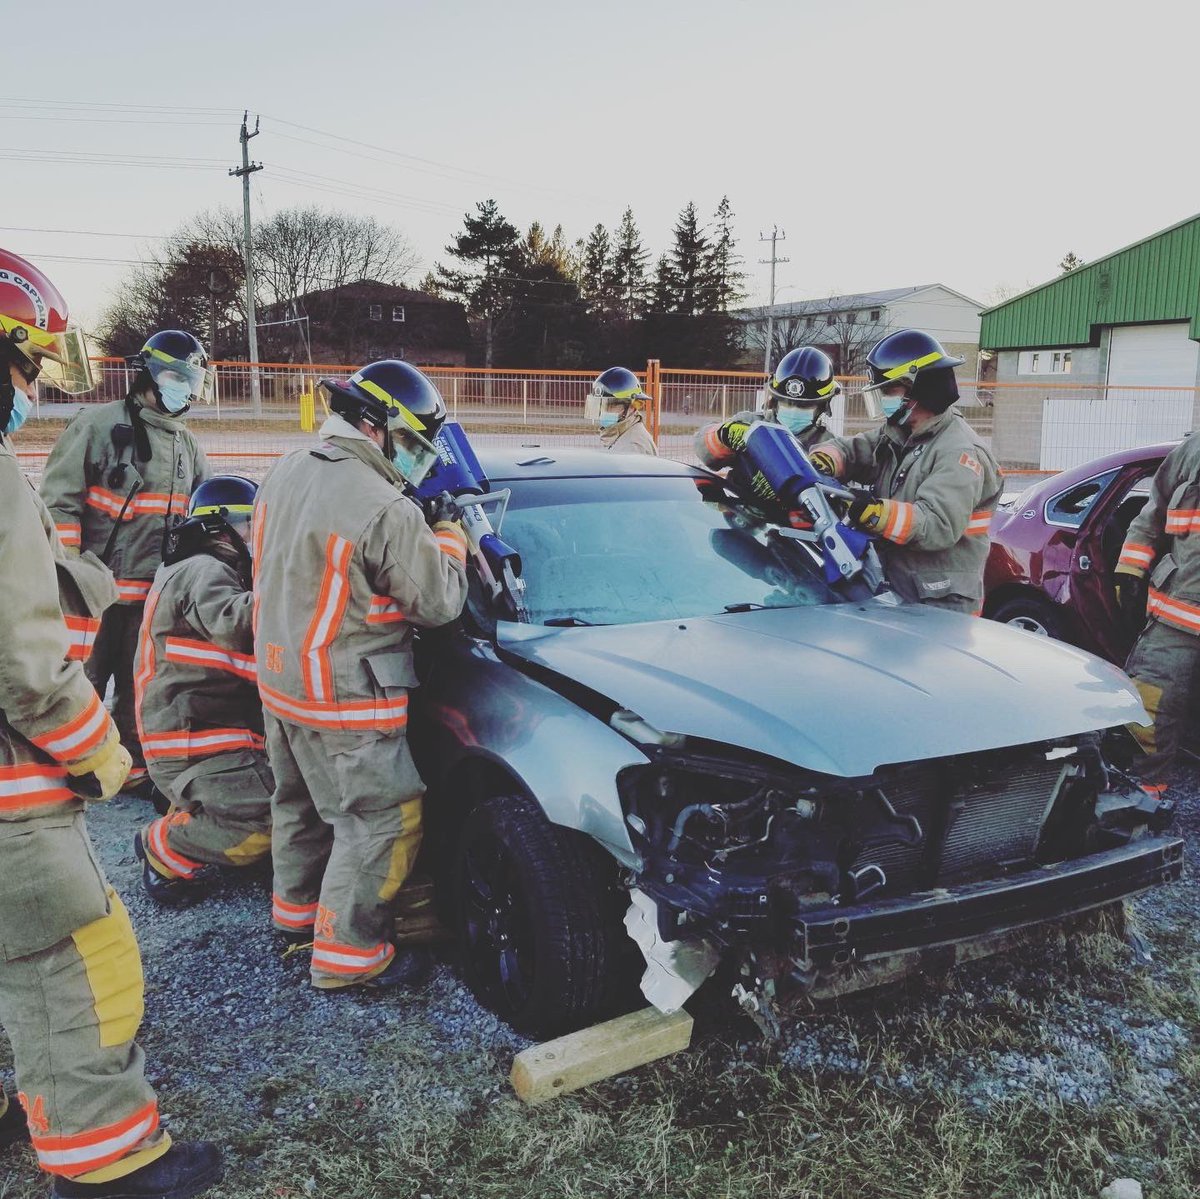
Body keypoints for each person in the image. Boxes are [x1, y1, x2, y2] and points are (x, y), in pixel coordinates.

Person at [0, 250, 221, 1198]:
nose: (30, 388)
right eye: (24, 365)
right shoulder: (97, 431)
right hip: (75, 634)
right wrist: (95, 750)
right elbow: (29, 636)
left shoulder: (191, 447)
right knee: (72, 952)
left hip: (138, 612)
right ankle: (106, 1165)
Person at [253, 359, 469, 989]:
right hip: (346, 696)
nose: (416, 459)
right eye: (411, 443)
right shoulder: (385, 508)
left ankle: (295, 922)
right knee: (379, 822)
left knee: (298, 808)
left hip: (281, 685)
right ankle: (350, 958)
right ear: (378, 427)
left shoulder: (286, 471)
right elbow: (440, 602)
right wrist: (450, 535)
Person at [40, 330, 213, 795]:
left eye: (191, 380)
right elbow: (59, 503)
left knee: (142, 686)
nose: (185, 389)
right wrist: (73, 573)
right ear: (148, 377)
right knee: (83, 680)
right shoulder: (98, 426)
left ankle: (133, 764)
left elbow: (200, 514)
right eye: (177, 378)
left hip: (150, 596)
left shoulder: (188, 445)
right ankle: (71, 764)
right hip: (93, 592)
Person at [133, 475, 273, 903]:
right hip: (196, 742)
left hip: (203, 731)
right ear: (219, 527)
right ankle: (165, 847)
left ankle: (200, 810)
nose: (257, 536)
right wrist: (297, 582)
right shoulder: (203, 571)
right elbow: (239, 622)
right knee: (278, 817)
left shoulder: (192, 567)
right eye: (250, 524)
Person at [809, 329, 1002, 614]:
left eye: (889, 391)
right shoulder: (901, 433)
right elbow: (857, 449)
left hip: (941, 605)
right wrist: (827, 458)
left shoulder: (960, 452)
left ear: (918, 387)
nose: (884, 399)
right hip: (900, 592)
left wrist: (875, 513)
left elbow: (937, 524)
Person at [1113, 433, 1200, 796]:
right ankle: (1140, 801)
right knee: (1147, 716)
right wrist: (1129, 569)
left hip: (1176, 615)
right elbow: (1150, 518)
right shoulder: (1191, 452)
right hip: (1174, 618)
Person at [696, 346, 840, 491]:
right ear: (774, 400)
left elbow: (836, 498)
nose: (793, 410)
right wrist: (722, 436)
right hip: (739, 510)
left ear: (822, 406)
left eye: (804, 407)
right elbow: (704, 453)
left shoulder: (829, 448)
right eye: (786, 403)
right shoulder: (750, 422)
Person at [588, 366, 658, 455]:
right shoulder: (620, 435)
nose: (603, 412)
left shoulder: (632, 447)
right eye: (601, 405)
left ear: (633, 406)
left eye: (611, 405)